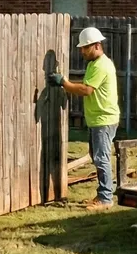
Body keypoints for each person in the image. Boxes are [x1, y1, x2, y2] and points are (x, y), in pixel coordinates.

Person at [50, 26, 120, 211]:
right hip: (98, 119)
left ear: (97, 45)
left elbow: (86, 90)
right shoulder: (93, 64)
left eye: (85, 47)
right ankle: (103, 192)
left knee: (101, 157)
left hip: (104, 119)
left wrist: (64, 83)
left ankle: (106, 198)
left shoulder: (101, 65)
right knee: (97, 156)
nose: (82, 51)